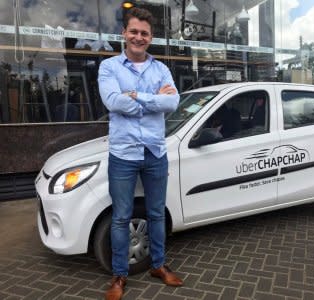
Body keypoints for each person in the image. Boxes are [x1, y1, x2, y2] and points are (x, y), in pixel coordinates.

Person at [98, 7, 183, 300]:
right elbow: (112, 101)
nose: (138, 37)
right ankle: (119, 275)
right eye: (133, 31)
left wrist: (138, 97)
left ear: (151, 37)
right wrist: (153, 100)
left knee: (157, 213)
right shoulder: (109, 68)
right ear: (124, 33)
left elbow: (173, 104)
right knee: (121, 217)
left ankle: (158, 265)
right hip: (123, 154)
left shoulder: (161, 69)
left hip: (154, 152)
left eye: (144, 33)